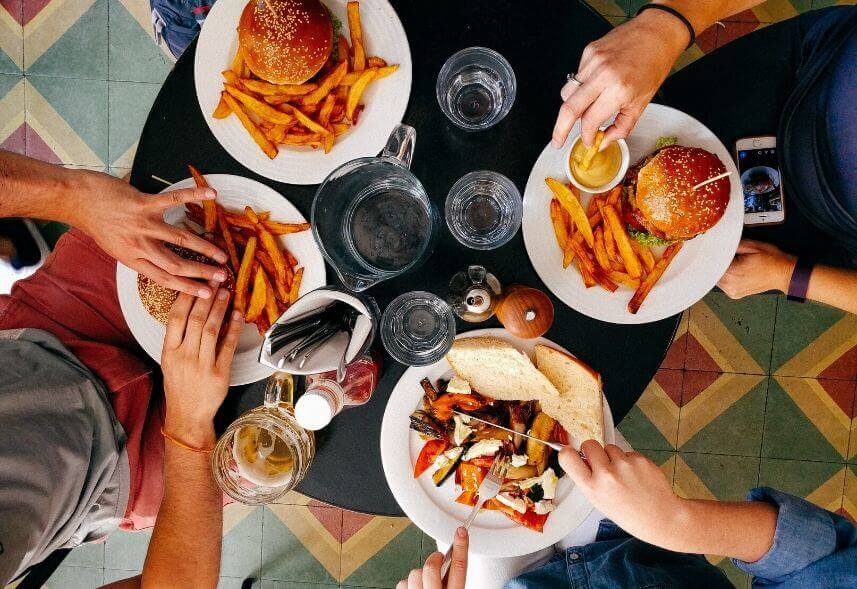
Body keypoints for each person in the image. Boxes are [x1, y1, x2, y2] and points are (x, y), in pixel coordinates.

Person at [0, 150, 234, 583]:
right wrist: (189, 425)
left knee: (193, 183)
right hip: (126, 473)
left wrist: (73, 197)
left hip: (43, 330)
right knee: (315, 397)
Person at [551, 1, 857, 315]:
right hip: (809, 61)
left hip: (818, 225)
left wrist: (788, 276)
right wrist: (664, 26)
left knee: (711, 268)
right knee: (664, 103)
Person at [399, 441, 857, 589]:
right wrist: (675, 521)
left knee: (449, 504)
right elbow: (824, 558)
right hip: (640, 545)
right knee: (576, 435)